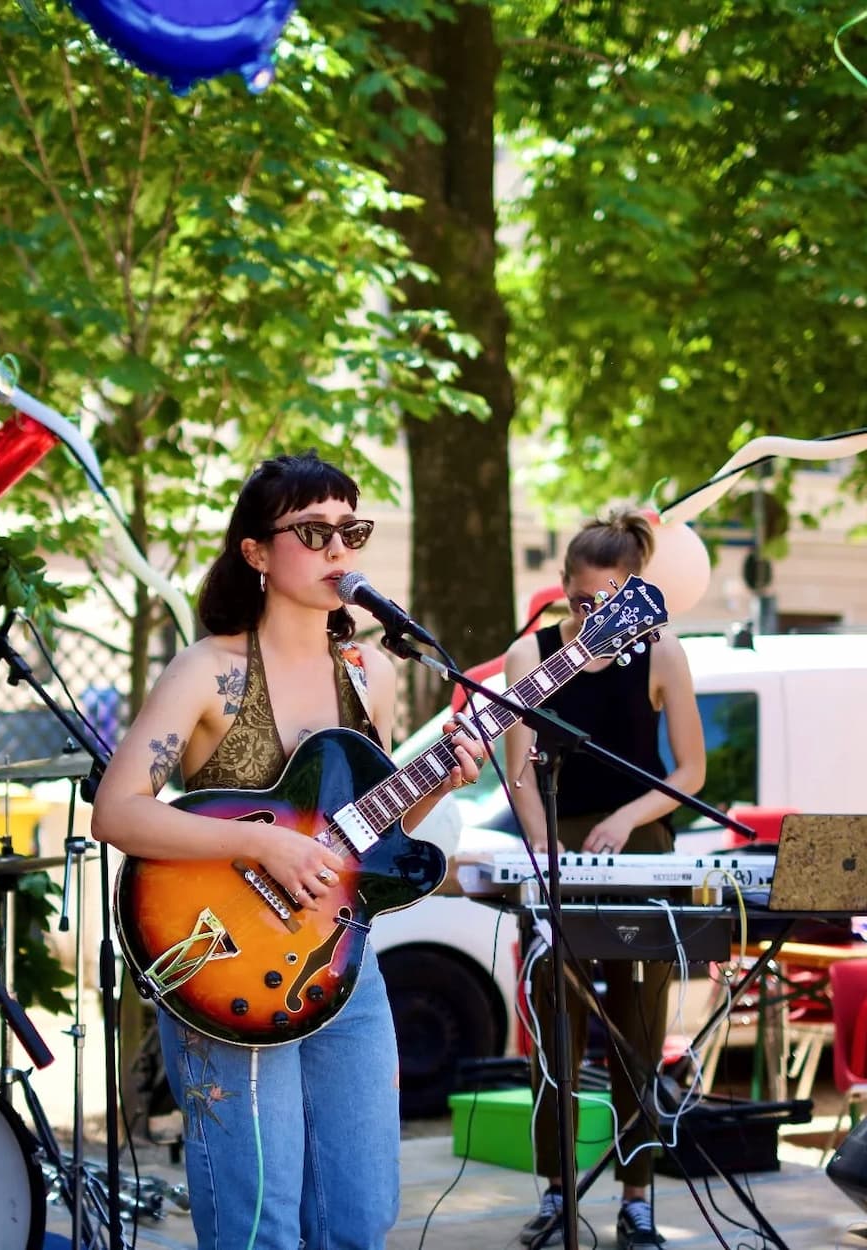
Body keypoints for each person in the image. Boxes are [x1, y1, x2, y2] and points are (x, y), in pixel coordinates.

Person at [91, 449, 482, 1250]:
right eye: (313, 530)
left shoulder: (366, 673)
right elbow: (116, 811)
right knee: (258, 1219)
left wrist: (439, 781)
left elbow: (361, 834)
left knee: (361, 1211)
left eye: (352, 529)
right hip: (225, 953)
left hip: (342, 962)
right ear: (257, 553)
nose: (340, 548)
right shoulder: (208, 670)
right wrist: (258, 845)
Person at [503, 509, 705, 1250]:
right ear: (563, 590)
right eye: (583, 601)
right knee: (555, 1020)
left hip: (640, 841)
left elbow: (689, 771)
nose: (595, 615)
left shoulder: (662, 652)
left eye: (611, 600)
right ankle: (558, 1193)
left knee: (638, 1027)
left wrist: (626, 818)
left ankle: (638, 1197)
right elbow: (519, 766)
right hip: (556, 840)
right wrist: (540, 841)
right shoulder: (531, 655)